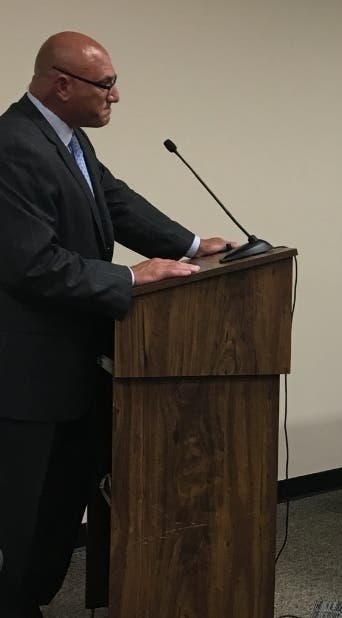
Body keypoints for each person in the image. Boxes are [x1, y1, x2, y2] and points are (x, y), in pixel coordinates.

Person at [0, 32, 237, 617]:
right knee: (25, 517)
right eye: (106, 85)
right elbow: (34, 264)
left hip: (78, 368)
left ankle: (28, 600)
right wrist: (130, 279)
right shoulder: (13, 145)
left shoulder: (66, 139)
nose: (117, 96)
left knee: (59, 507)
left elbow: (117, 202)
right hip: (30, 377)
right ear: (62, 84)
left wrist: (190, 244)